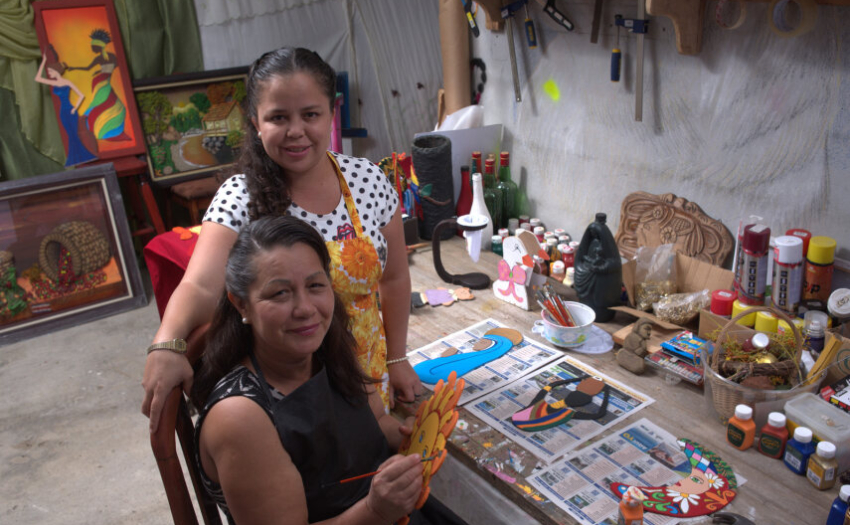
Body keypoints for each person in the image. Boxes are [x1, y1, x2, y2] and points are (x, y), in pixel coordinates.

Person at [143, 47, 421, 433]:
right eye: (278, 117)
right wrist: (166, 343)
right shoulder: (241, 197)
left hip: (371, 380)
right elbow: (201, 285)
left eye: (310, 114)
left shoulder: (368, 181)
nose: (296, 131)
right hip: (295, 398)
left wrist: (397, 359)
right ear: (255, 122)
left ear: (330, 114)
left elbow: (392, 279)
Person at [191, 216, 463, 524]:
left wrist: (413, 438)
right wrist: (375, 510)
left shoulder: (327, 346)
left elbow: (376, 420)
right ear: (241, 305)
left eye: (315, 285)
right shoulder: (240, 416)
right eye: (280, 293)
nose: (305, 308)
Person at [34, 47, 98, 167]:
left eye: (51, 72)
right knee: (70, 133)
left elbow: (81, 95)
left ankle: (80, 157)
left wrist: (75, 108)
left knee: (74, 133)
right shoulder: (55, 83)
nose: (50, 74)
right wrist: (43, 61)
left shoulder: (67, 82)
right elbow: (38, 78)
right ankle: (76, 157)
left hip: (70, 110)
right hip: (63, 112)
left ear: (57, 71)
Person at [64, 28, 130, 141]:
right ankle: (103, 128)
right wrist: (104, 71)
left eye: (93, 47)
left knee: (103, 102)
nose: (91, 49)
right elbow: (112, 67)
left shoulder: (101, 58)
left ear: (98, 46)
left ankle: (103, 128)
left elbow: (87, 68)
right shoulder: (111, 57)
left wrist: (102, 72)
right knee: (103, 102)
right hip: (100, 81)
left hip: (102, 83)